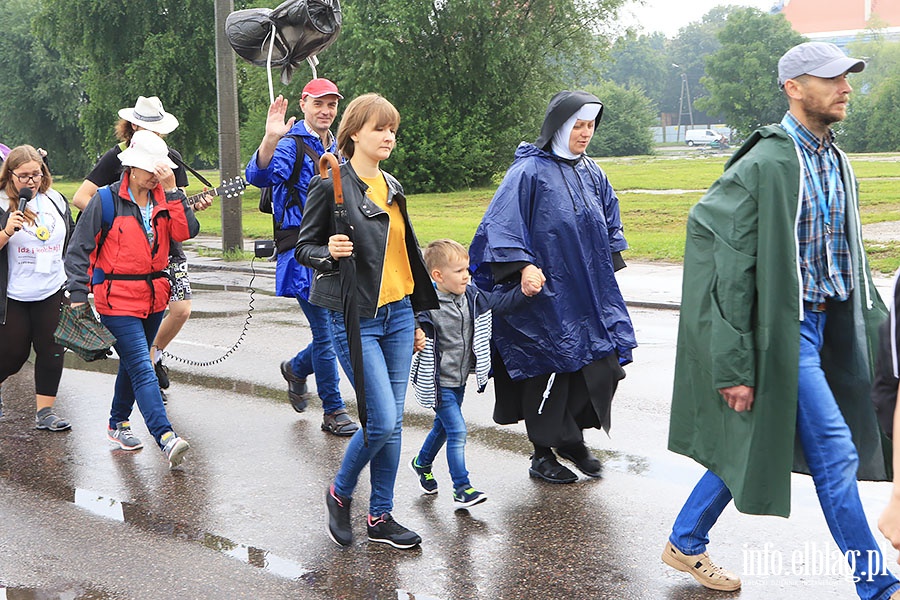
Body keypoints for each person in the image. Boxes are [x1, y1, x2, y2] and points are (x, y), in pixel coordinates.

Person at [662, 42, 900, 599]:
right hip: (780, 333)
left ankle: (685, 540)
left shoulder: (836, 159)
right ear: (794, 87)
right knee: (836, 452)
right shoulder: (765, 163)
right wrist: (734, 362)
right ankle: (879, 585)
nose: (845, 88)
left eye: (847, 78)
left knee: (759, 438)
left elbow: (847, 262)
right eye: (830, 79)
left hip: (827, 328)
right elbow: (721, 258)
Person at [468, 90, 635, 484]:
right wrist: (523, 265)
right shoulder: (527, 172)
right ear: (558, 126)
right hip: (542, 294)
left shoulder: (591, 171)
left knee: (600, 366)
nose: (585, 133)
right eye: (577, 125)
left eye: (590, 125)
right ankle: (544, 453)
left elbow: (610, 218)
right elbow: (499, 226)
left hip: (588, 291)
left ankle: (570, 439)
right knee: (550, 370)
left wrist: (608, 263)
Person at [296, 93, 438, 549]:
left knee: (392, 421)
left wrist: (416, 317)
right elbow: (303, 247)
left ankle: (380, 517)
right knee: (379, 422)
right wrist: (327, 253)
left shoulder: (391, 185)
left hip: (397, 315)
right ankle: (340, 492)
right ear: (354, 131)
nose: (389, 136)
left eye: (393, 129)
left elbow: (405, 259)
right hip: (354, 317)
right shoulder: (332, 184)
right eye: (380, 128)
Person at [65, 130, 199, 469]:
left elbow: (186, 232)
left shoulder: (164, 197)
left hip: (154, 297)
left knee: (134, 362)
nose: (156, 174)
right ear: (131, 168)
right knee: (143, 364)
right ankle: (165, 436)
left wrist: (173, 192)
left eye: (160, 168)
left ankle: (117, 422)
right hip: (116, 298)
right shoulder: (105, 200)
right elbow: (79, 249)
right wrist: (79, 294)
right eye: (150, 168)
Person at [72, 96, 212, 404]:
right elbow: (82, 197)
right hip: (125, 255)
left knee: (182, 309)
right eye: (149, 127)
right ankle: (142, 382)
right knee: (136, 337)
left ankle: (152, 355)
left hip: (167, 248)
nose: (156, 134)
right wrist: (123, 216)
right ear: (133, 126)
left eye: (160, 129)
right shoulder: (117, 157)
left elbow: (179, 210)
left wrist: (188, 206)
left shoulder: (170, 157)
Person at [245, 78, 358, 436]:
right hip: (301, 253)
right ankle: (334, 410)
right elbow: (258, 176)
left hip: (334, 251)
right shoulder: (290, 144)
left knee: (332, 330)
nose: (326, 111)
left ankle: (296, 368)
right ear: (304, 104)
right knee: (326, 332)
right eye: (319, 104)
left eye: (331, 105)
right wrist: (270, 137)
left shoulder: (338, 147)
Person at [408, 239, 534, 508]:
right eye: (459, 271)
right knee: (457, 430)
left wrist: (525, 291)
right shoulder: (423, 305)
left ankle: (421, 462)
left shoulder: (472, 297)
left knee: (442, 428)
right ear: (438, 275)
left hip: (459, 379)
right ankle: (462, 488)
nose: (466, 275)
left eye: (467, 270)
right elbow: (408, 324)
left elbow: (500, 303)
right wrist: (414, 332)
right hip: (437, 382)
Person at [0, 145, 73, 430]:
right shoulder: (2, 204)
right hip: (13, 294)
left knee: (53, 349)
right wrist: (7, 230)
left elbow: (71, 237)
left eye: (37, 174)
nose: (31, 181)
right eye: (24, 176)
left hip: (52, 288)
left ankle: (46, 413)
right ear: (10, 175)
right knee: (13, 354)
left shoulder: (55, 199)